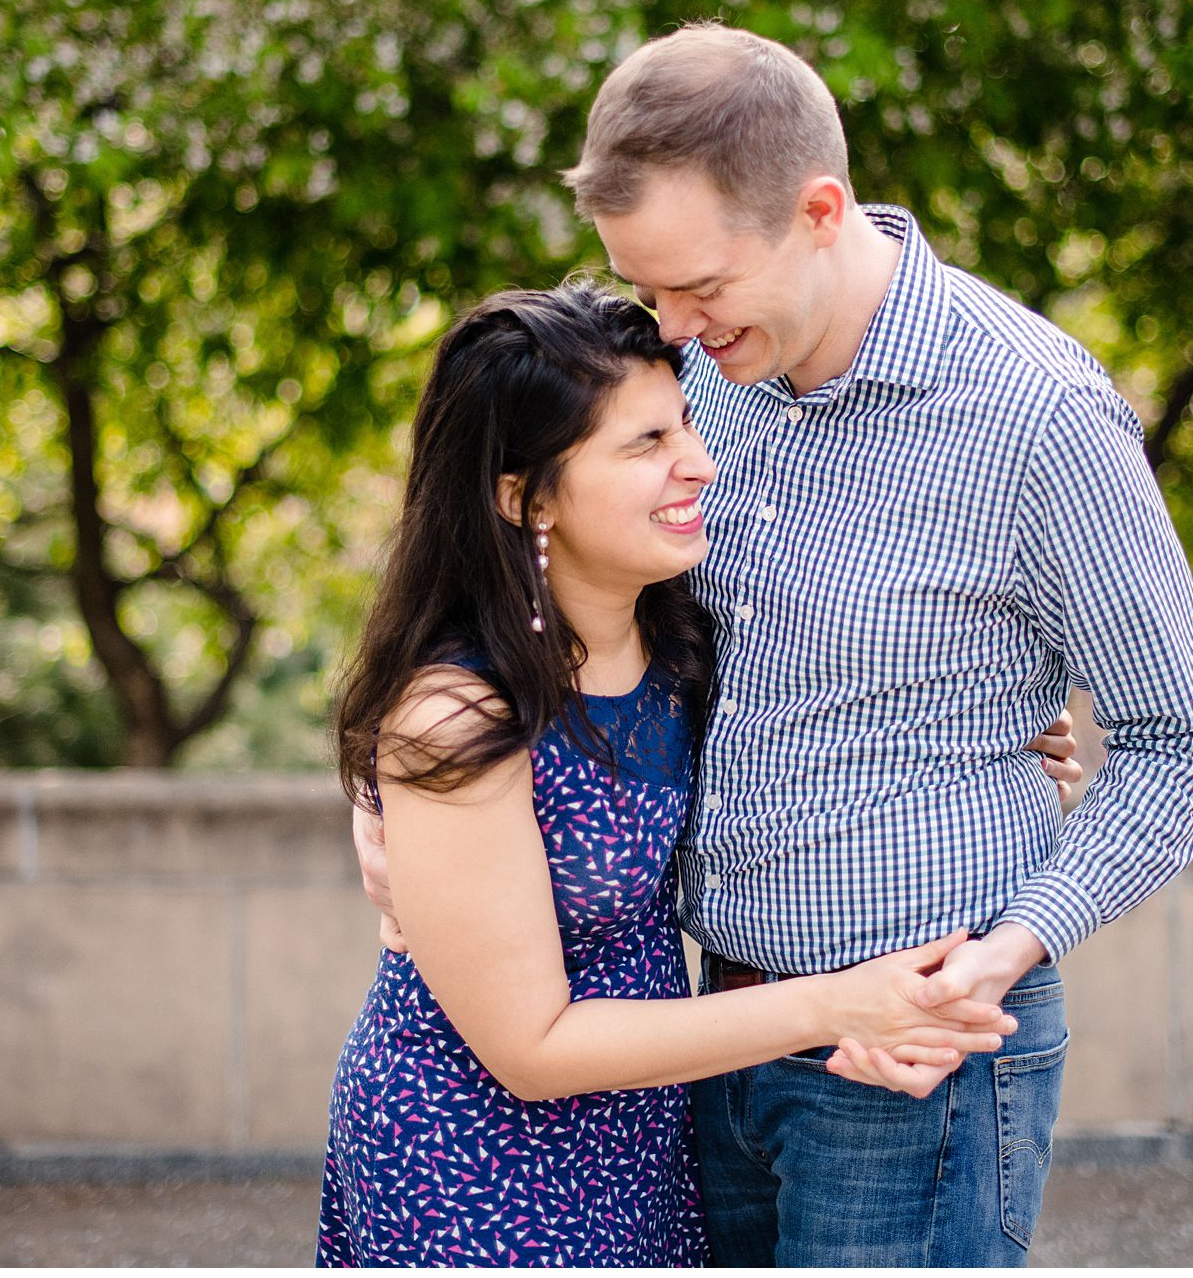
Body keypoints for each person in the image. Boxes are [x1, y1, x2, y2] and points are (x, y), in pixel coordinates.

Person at [357, 24, 1193, 1264]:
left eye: (699, 288)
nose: (669, 323)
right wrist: (391, 792)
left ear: (819, 210)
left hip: (910, 1049)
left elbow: (1180, 737)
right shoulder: (690, 371)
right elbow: (516, 570)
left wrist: (1001, 951)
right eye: (647, 286)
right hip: (694, 1023)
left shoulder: (1038, 417)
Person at [314, 280, 1025, 1268]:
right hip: (475, 1152)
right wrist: (833, 1002)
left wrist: (1007, 743)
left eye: (686, 422)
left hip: (644, 1134)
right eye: (645, 443)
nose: (698, 461)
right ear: (523, 495)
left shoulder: (678, 638)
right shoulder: (459, 710)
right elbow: (531, 1046)